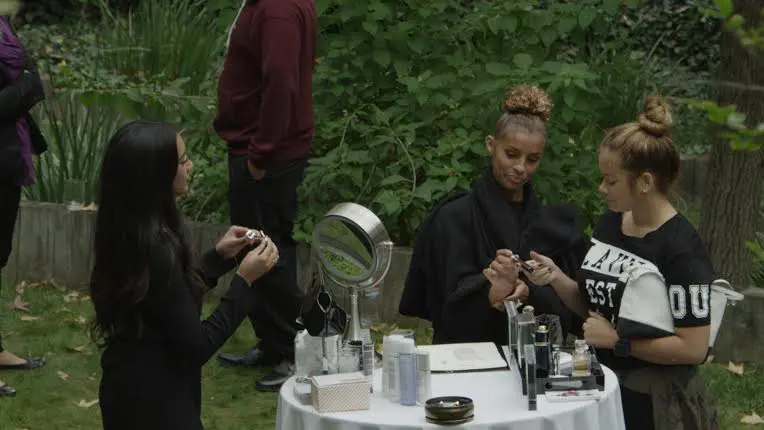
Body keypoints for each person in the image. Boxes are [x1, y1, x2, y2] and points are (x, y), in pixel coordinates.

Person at [525, 97, 718, 430]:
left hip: (656, 404)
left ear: (644, 182)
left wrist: (619, 342)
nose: (602, 189)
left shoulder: (681, 248)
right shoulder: (611, 223)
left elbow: (693, 348)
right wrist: (557, 278)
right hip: (602, 384)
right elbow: (596, 310)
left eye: (611, 181)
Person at [90, 121, 280, 430]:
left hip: (127, 388)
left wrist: (216, 260)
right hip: (155, 405)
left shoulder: (127, 231)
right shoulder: (157, 249)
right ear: (157, 175)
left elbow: (163, 300)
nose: (190, 166)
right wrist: (244, 283)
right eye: (182, 161)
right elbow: (196, 346)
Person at [399, 84, 589, 346]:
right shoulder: (454, 218)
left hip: (536, 359)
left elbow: (576, 313)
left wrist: (531, 291)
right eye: (511, 154)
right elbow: (445, 304)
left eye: (532, 159)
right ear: (491, 145)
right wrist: (493, 291)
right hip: (466, 359)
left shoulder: (555, 227)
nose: (520, 167)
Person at [213, 0, 317, 391]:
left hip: (266, 155)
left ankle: (296, 350)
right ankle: (273, 344)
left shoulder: (277, 11)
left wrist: (261, 154)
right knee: (255, 247)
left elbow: (281, 83)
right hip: (261, 149)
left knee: (268, 253)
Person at [0, 14, 47, 397]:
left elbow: (33, 78)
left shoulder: (2, 25)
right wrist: (26, 88)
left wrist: (26, 86)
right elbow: (28, 84)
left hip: (7, 161)